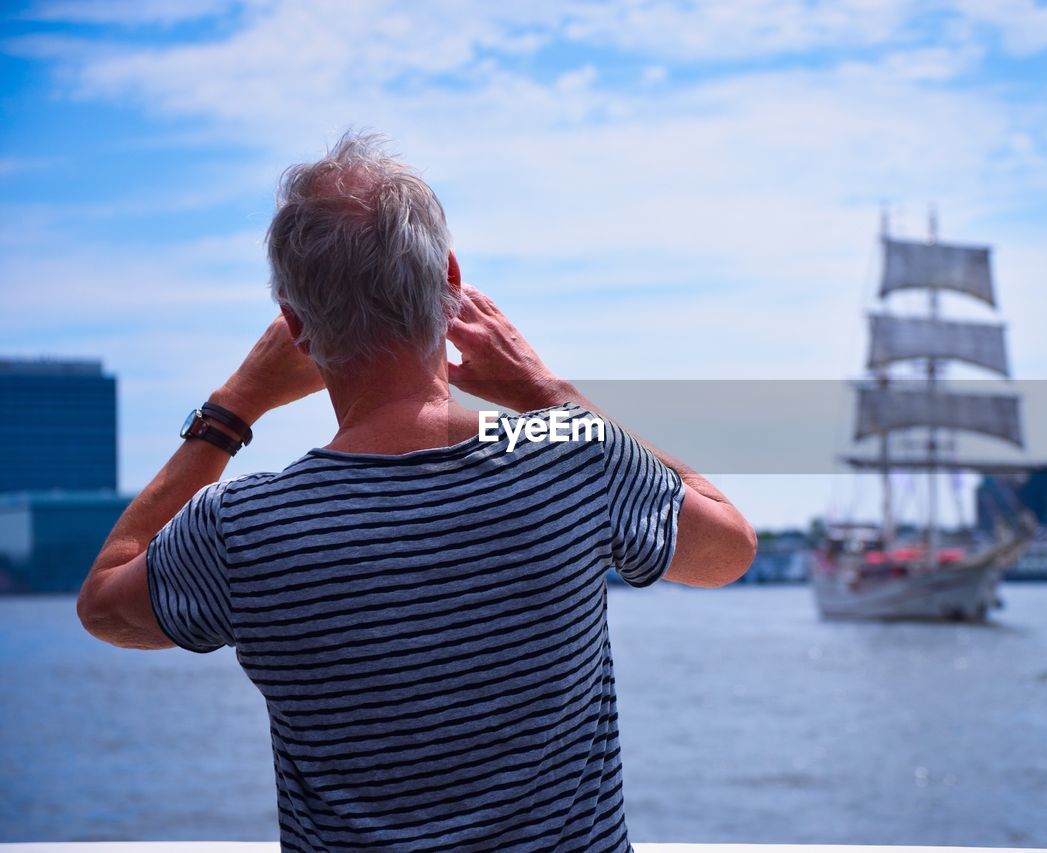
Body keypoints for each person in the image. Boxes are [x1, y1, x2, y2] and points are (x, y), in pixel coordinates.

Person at [76, 131, 757, 852]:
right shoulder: (571, 459)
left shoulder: (243, 528)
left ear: (297, 326)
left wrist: (231, 409)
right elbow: (729, 547)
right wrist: (547, 393)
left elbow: (103, 604)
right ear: (451, 277)